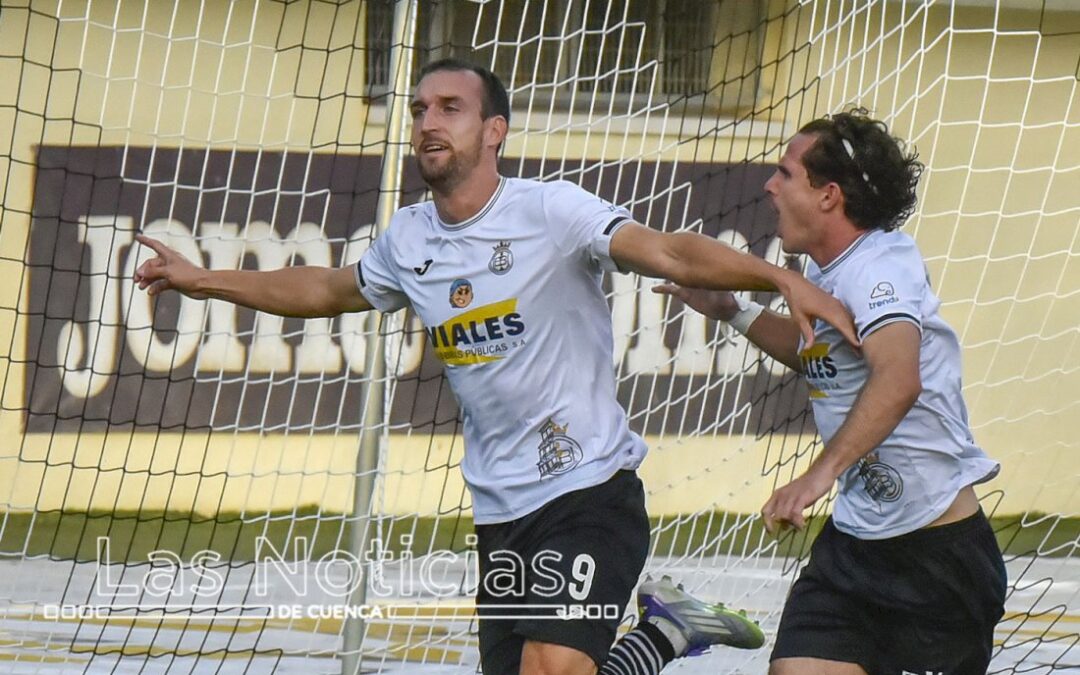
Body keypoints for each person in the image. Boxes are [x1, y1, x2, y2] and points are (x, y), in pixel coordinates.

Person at [134, 59, 858, 675]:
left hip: (588, 491)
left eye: (451, 107)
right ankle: (668, 630)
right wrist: (205, 280)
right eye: (420, 108)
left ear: (494, 131)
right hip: (499, 511)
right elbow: (327, 288)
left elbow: (668, 250)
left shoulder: (550, 211)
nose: (428, 122)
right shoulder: (410, 238)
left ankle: (667, 630)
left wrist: (780, 279)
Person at [656, 108, 1007, 675]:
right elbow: (820, 354)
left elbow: (899, 379)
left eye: (786, 173)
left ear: (829, 195)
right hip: (854, 546)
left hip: (936, 558)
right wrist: (731, 310)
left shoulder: (878, 268)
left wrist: (817, 476)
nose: (770, 185)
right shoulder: (822, 273)